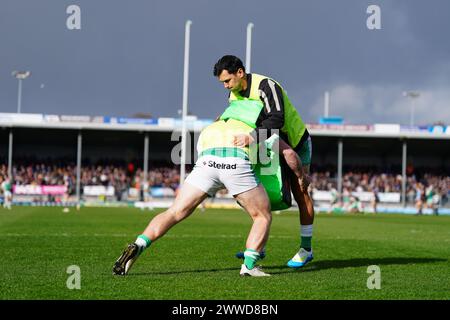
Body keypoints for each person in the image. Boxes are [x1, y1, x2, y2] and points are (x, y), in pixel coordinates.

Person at [113, 118, 274, 277]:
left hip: (205, 164)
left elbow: (200, 153)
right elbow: (272, 145)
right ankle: (249, 266)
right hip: (235, 162)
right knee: (261, 215)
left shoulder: (212, 126)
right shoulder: (250, 122)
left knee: (174, 212)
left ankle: (139, 244)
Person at [213, 55, 314, 268]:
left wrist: (250, 137)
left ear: (240, 73)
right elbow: (235, 117)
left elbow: (277, 119)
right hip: (266, 141)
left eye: (227, 80)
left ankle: (306, 249)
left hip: (294, 140)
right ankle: (258, 247)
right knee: (255, 191)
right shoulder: (234, 94)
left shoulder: (266, 86)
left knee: (301, 190)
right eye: (223, 82)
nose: (225, 86)